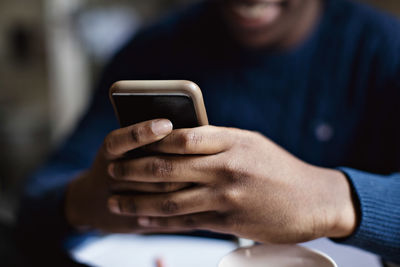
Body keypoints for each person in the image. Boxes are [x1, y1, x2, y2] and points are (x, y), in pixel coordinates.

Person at [17, 0, 400, 265]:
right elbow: (32, 206)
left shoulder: (383, 49)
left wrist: (335, 198)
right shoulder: (151, 50)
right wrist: (81, 202)